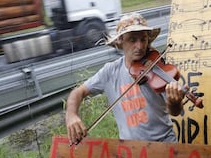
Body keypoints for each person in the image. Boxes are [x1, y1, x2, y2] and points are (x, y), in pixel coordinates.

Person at [65, 13, 185, 145]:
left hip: (164, 145)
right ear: (120, 41)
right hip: (130, 150)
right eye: (132, 40)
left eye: (143, 39)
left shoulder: (157, 68)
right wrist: (71, 115)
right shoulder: (110, 71)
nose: (139, 46)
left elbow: (175, 112)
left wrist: (175, 103)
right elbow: (78, 92)